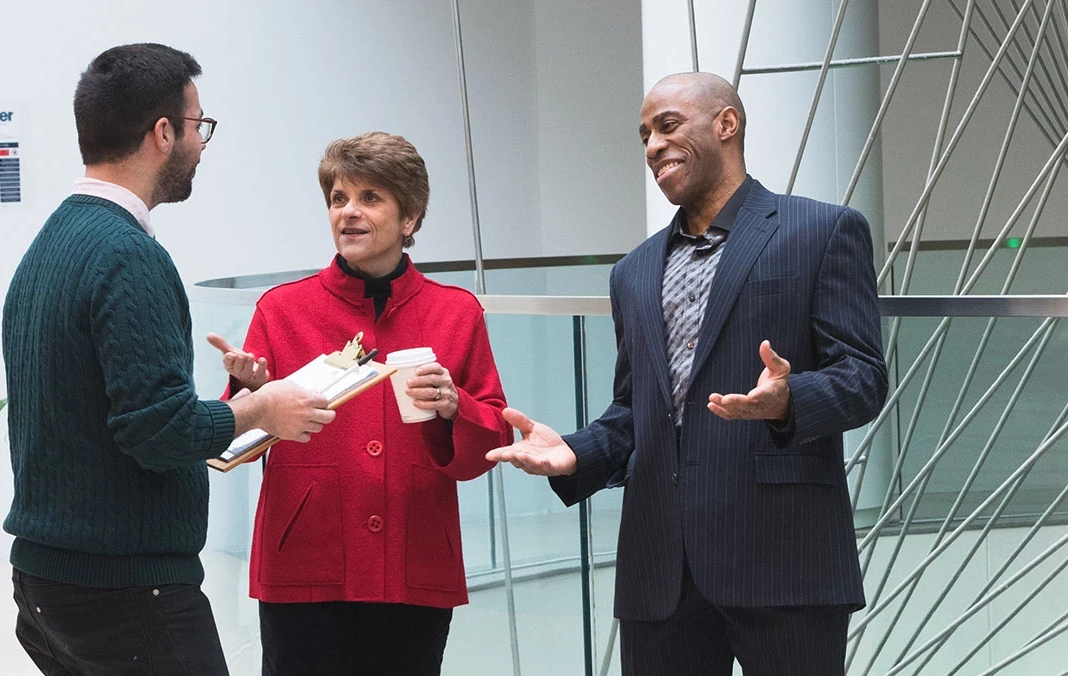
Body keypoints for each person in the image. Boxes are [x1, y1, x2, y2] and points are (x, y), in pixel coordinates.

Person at [487, 72, 888, 675]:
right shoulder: (634, 272)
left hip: (784, 557)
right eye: (644, 135)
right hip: (659, 570)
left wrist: (786, 400)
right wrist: (573, 453)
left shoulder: (822, 231)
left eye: (667, 126)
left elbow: (862, 377)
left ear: (726, 124)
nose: (652, 146)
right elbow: (635, 411)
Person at [1, 43, 336, 676]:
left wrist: (231, 406)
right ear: (162, 133)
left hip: (48, 585)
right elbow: (156, 433)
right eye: (197, 125)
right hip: (125, 596)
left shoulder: (49, 247)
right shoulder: (128, 256)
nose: (202, 143)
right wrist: (265, 408)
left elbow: (106, 417)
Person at [207, 131, 510, 676]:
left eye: (371, 198)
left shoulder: (457, 313)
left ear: (409, 218)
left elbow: (492, 441)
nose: (349, 212)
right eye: (338, 198)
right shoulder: (281, 310)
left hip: (415, 560)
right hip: (304, 561)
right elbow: (237, 445)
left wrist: (453, 405)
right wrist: (252, 392)